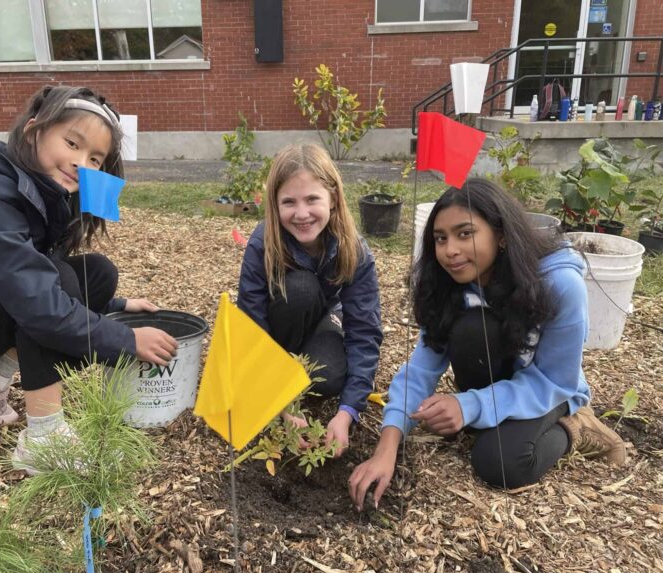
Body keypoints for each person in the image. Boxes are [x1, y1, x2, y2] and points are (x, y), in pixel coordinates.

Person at [0, 85, 178, 474]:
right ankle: (44, 440)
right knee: (54, 285)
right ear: (33, 131)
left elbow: (26, 271)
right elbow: (37, 301)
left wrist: (116, 307)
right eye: (72, 143)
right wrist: (126, 339)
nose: (82, 163)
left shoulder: (35, 188)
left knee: (96, 275)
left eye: (95, 158)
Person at [349, 178, 626, 510]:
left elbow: (555, 381)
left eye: (465, 234)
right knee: (469, 329)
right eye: (441, 238)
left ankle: (576, 426)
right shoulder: (448, 283)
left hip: (550, 391)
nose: (450, 250)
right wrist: (386, 449)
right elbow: (421, 369)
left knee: (500, 464)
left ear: (501, 233)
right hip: (495, 382)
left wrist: (470, 406)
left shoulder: (559, 285)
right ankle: (492, 416)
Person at [237, 143, 383, 457]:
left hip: (321, 323)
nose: (301, 214)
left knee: (328, 379)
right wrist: (278, 403)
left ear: (332, 196)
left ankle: (298, 373)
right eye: (289, 202)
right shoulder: (263, 245)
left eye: (312, 199)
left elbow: (364, 330)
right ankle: (285, 376)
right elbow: (250, 328)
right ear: (274, 205)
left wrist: (348, 411)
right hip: (280, 329)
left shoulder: (354, 249)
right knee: (300, 289)